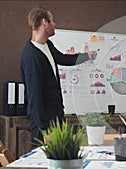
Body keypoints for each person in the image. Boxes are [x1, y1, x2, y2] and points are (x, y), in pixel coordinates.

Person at [20, 6, 97, 145]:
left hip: (56, 117)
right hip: (44, 124)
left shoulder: (47, 45)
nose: (54, 24)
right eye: (52, 21)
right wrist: (44, 130)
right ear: (45, 22)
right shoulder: (31, 57)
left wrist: (87, 56)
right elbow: (34, 97)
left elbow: (63, 59)